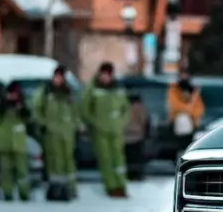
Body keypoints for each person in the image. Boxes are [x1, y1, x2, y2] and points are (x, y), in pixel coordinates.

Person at [32, 65, 81, 201]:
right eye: (56, 77)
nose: (58, 80)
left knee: (69, 161)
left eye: (61, 77)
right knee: (54, 162)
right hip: (52, 133)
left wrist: (76, 125)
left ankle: (71, 188)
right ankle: (56, 188)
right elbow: (36, 110)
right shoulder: (45, 92)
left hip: (67, 133)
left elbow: (76, 111)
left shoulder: (69, 93)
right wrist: (43, 123)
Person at [80, 62, 129, 198]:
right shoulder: (93, 88)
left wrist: (121, 122)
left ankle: (121, 185)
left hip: (116, 131)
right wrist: (94, 123)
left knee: (119, 160)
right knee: (105, 160)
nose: (106, 77)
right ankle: (111, 186)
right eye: (104, 74)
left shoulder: (118, 88)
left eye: (109, 75)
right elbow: (85, 108)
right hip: (100, 132)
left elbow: (125, 108)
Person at [0, 81, 32, 201]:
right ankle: (7, 192)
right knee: (5, 170)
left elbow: (29, 118)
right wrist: (2, 107)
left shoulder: (22, 104)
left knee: (22, 170)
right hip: (5, 143)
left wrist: (22, 109)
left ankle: (24, 192)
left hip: (19, 144)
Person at [167, 70, 204, 154]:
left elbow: (199, 108)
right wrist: (188, 108)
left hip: (191, 124)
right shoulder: (174, 90)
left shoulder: (193, 91)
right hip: (179, 122)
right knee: (182, 119)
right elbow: (175, 106)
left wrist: (193, 115)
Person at [123, 91, 148, 182]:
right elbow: (143, 120)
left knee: (129, 158)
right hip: (137, 136)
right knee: (137, 157)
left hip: (125, 136)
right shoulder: (139, 107)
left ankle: (130, 174)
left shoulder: (124, 107)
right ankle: (138, 175)